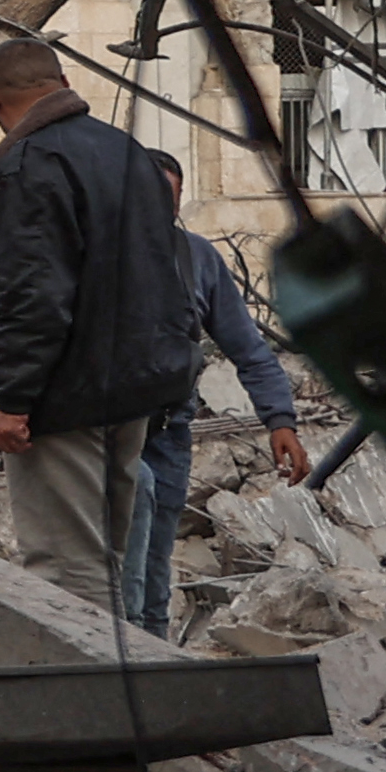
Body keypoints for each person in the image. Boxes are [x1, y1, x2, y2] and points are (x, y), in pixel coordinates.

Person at [0, 34, 203, 611]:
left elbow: (32, 295)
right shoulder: (126, 152)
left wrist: (14, 400)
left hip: (62, 400)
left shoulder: (28, 165)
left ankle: (89, 694)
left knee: (67, 569)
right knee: (107, 557)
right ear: (63, 83)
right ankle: (126, 683)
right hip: (133, 388)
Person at [124, 148, 307, 640]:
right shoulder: (98, 255)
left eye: (169, 197)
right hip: (107, 435)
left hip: (167, 433)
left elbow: (249, 348)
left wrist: (280, 421)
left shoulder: (196, 258)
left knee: (157, 560)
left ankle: (154, 660)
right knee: (125, 567)